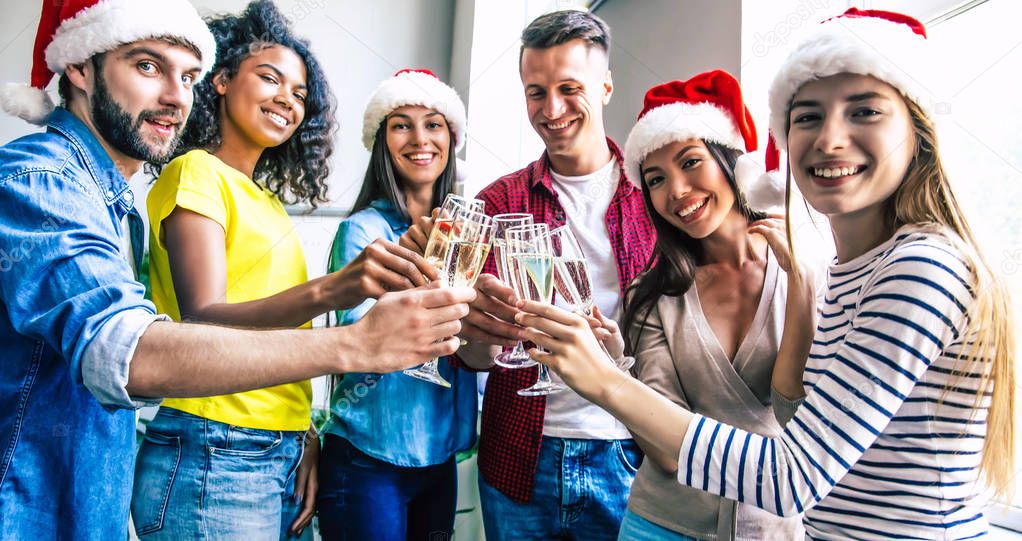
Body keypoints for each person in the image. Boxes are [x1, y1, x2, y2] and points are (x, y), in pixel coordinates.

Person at [516, 8, 1015, 540]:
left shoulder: (918, 269)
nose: (830, 141)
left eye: (865, 111)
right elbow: (794, 412)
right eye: (807, 117)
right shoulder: (850, 268)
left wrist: (605, 380)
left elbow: (792, 475)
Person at [0, 1, 472, 538]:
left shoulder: (125, 202)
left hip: (264, 453)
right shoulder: (46, 179)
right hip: (212, 449)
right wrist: (354, 334)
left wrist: (304, 428)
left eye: (187, 75)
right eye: (148, 66)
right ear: (81, 68)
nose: (177, 94)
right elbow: (142, 346)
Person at [404, 10, 657, 540]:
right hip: (521, 454)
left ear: (606, 85)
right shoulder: (497, 203)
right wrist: (468, 328)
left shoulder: (653, 195)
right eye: (536, 92)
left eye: (570, 88)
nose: (552, 109)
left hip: (629, 452)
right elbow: (476, 358)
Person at [130, 2, 350, 538]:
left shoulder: (268, 204)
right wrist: (334, 289)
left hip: (279, 449)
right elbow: (204, 318)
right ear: (222, 80)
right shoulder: (195, 172)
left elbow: (281, 336)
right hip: (214, 447)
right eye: (270, 78)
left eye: (300, 94)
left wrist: (305, 430)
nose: (287, 100)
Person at [614, 70, 805, 541]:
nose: (676, 191)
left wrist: (804, 285)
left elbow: (804, 415)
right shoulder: (650, 295)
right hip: (659, 525)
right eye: (656, 179)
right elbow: (663, 445)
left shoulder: (809, 267)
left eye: (691, 162)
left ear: (733, 163)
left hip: (776, 530)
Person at [315, 68, 476, 541]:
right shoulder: (364, 231)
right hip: (367, 457)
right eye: (401, 124)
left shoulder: (465, 233)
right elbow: (362, 340)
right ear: (383, 140)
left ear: (451, 137)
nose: (419, 138)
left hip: (440, 456)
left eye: (433, 123)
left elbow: (471, 346)